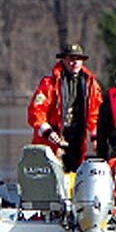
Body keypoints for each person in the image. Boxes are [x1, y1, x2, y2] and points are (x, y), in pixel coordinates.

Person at [27, 42, 104, 173]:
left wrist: (96, 137)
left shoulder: (91, 84)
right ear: (63, 60)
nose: (75, 63)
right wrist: (47, 131)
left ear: (82, 61)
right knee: (52, 176)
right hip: (52, 139)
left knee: (75, 173)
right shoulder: (49, 83)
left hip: (77, 139)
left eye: (78, 59)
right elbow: (36, 111)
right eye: (71, 59)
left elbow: (95, 113)